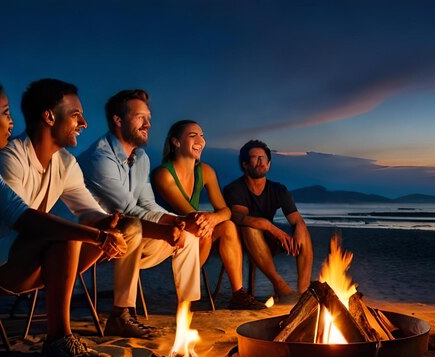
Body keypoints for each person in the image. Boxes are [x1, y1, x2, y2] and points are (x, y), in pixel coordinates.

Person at [0, 79, 127, 357]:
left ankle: (61, 335)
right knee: (68, 234)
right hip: (1, 263)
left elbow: (89, 212)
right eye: (5, 112)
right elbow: (23, 220)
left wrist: (110, 226)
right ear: (49, 116)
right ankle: (58, 337)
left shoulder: (64, 163)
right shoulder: (8, 158)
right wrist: (95, 236)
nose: (85, 123)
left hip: (22, 259)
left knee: (112, 230)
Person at [78, 90, 203, 336]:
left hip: (130, 237)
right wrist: (168, 227)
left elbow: (147, 204)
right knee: (131, 227)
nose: (148, 123)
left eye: (149, 117)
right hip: (95, 239)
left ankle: (185, 312)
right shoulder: (99, 158)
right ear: (118, 120)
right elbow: (126, 209)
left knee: (189, 235)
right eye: (140, 117)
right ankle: (121, 314)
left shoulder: (141, 157)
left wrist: (179, 222)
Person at [151, 120, 266, 310]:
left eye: (202, 135)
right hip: (166, 235)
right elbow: (188, 214)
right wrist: (210, 219)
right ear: (176, 142)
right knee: (201, 227)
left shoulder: (205, 171)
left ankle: (238, 294)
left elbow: (226, 210)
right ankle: (187, 296)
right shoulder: (163, 174)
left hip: (196, 233)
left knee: (227, 226)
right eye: (192, 135)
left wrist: (214, 218)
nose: (200, 140)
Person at [223, 139, 313, 301]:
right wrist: (270, 227)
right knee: (250, 227)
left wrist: (299, 231)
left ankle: (304, 291)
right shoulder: (235, 189)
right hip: (241, 242)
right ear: (244, 164)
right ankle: (279, 285)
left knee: (302, 231)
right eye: (255, 157)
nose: (260, 161)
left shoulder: (279, 189)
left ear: (269, 164)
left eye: (264, 158)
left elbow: (297, 219)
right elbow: (240, 217)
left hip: (269, 241)